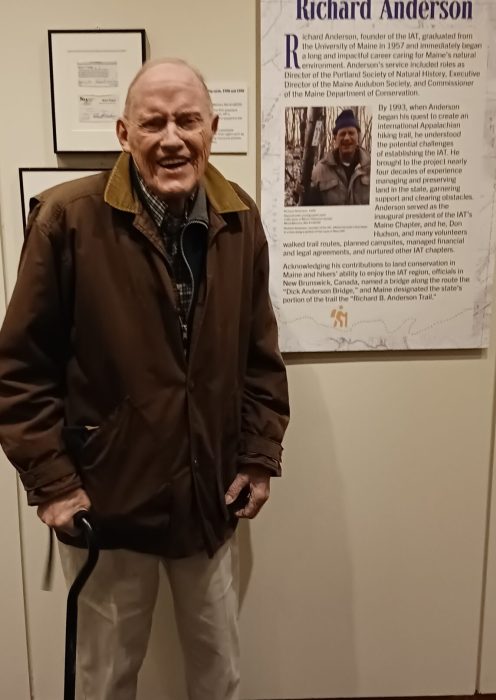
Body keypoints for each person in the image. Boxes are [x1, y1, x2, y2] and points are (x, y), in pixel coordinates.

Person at [0, 58, 289, 700]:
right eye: (152, 121)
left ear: (212, 127)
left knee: (219, 674)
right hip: (106, 502)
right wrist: (52, 485)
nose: (172, 138)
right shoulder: (65, 219)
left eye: (187, 120)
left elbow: (260, 358)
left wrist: (259, 457)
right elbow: (21, 371)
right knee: (104, 680)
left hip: (210, 500)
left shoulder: (240, 219)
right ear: (123, 133)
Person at [307, 108, 370, 205]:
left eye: (351, 133)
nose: (347, 138)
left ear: (358, 136)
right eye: (342, 134)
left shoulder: (372, 167)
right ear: (335, 138)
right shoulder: (320, 171)